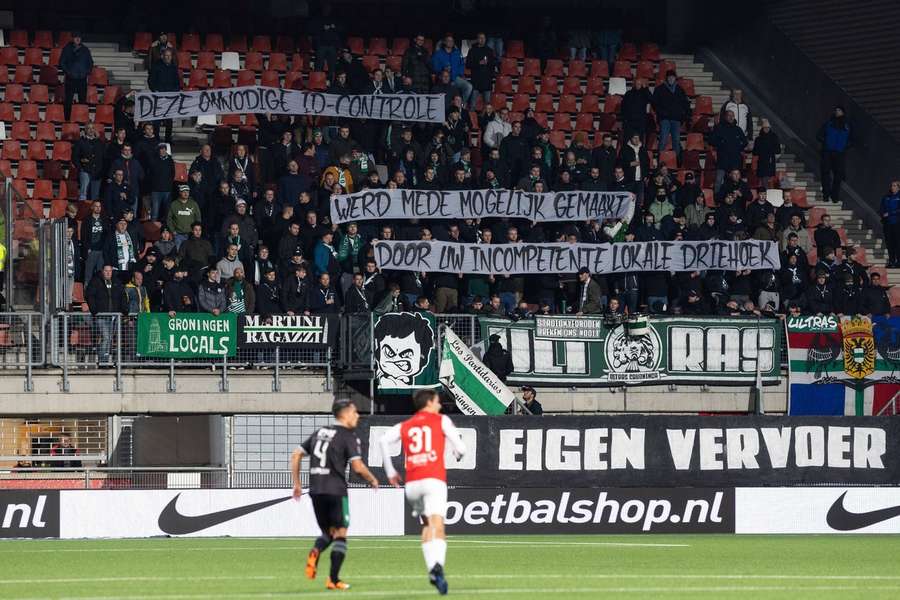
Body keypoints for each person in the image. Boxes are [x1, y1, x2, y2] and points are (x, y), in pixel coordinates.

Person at [378, 389, 467, 596]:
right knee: (438, 524)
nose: (440, 405)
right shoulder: (441, 420)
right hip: (433, 479)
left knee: (427, 525)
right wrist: (457, 453)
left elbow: (383, 440)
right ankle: (438, 568)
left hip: (412, 484)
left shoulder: (406, 425)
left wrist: (391, 471)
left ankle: (431, 570)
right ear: (429, 402)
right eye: (437, 401)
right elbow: (461, 449)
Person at [292, 400, 380, 591]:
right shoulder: (348, 436)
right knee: (340, 533)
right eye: (355, 412)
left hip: (315, 491)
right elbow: (357, 467)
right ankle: (333, 579)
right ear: (345, 414)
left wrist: (297, 484)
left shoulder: (320, 432)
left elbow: (296, 454)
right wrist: (372, 479)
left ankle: (316, 550)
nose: (357, 416)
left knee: (328, 534)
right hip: (336, 490)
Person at [85, 265, 126, 364]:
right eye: (106, 271)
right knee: (106, 337)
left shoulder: (116, 282)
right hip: (101, 316)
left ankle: (106, 360)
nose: (108, 273)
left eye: (110, 271)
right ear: (102, 271)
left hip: (114, 316)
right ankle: (103, 361)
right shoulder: (95, 281)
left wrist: (125, 309)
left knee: (110, 338)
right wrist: (94, 310)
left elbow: (123, 296)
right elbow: (89, 295)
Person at [651, 70, 690, 163]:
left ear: (675, 78)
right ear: (666, 78)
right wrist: (661, 113)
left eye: (672, 77)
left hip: (676, 119)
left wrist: (683, 117)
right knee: (663, 140)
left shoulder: (680, 90)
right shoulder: (659, 89)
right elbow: (654, 103)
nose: (671, 79)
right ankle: (660, 161)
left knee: (676, 141)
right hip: (664, 119)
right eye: (669, 77)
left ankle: (676, 162)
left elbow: (685, 104)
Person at [817, 106, 853, 203]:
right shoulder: (829, 124)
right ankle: (826, 194)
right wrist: (826, 144)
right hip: (827, 152)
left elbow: (852, 139)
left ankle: (834, 195)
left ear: (843, 113)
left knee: (838, 175)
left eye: (839, 110)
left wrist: (844, 146)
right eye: (836, 110)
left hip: (839, 153)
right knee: (825, 173)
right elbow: (819, 135)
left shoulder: (847, 125)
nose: (837, 112)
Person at [59, 32, 93, 122]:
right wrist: (68, 72)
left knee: (82, 101)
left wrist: (86, 73)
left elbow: (90, 63)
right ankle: (67, 120)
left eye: (79, 37)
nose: (78, 39)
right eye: (76, 37)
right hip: (70, 79)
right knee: (68, 101)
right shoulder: (67, 49)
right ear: (73, 38)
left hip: (82, 79)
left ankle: (81, 119)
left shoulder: (85, 50)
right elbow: (62, 63)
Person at [465, 32, 497, 109]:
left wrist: (488, 63)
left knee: (487, 107)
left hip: (487, 82)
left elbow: (493, 65)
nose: (482, 40)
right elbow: (468, 65)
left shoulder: (489, 51)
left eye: (483, 38)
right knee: (472, 105)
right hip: (476, 81)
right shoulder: (472, 50)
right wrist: (478, 63)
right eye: (480, 38)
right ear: (477, 39)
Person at [74, 123, 104, 201]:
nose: (91, 130)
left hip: (97, 172)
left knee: (95, 196)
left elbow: (103, 157)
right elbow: (75, 157)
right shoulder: (80, 142)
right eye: (89, 128)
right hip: (85, 171)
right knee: (83, 194)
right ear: (85, 130)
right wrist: (81, 168)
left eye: (92, 128)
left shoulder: (99, 142)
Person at [880, 181, 900, 267]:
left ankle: (898, 261)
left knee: (897, 243)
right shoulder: (886, 197)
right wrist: (882, 213)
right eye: (892, 185)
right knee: (889, 243)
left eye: (895, 186)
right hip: (888, 224)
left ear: (899, 188)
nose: (892, 187)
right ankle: (891, 261)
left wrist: (890, 213)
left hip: (897, 223)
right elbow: (881, 208)